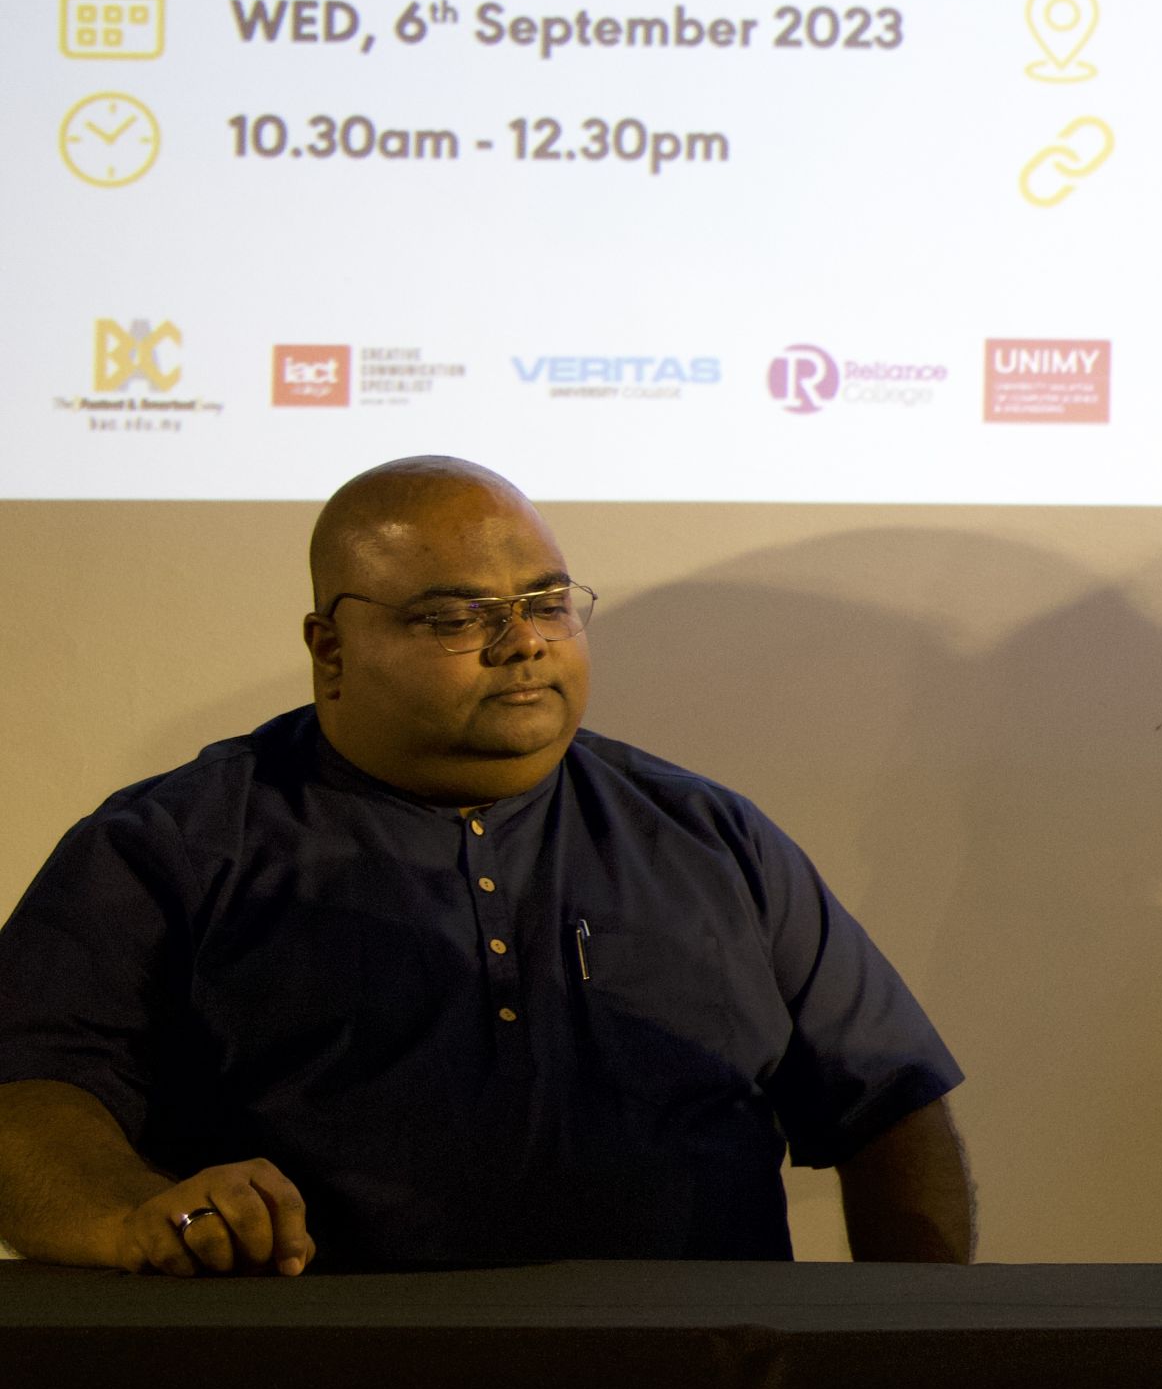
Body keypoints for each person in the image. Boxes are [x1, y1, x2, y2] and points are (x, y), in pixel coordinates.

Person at [0, 457, 973, 1274]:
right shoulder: (167, 848)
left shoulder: (709, 835)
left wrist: (916, 1351)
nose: (523, 644)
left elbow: (890, 1109)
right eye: (455, 615)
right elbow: (31, 1096)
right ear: (330, 648)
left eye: (548, 604)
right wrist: (134, 1215)